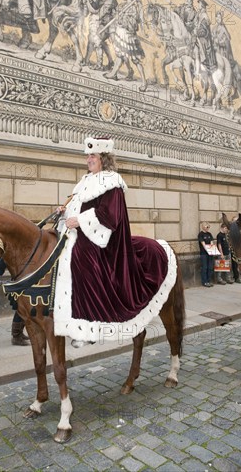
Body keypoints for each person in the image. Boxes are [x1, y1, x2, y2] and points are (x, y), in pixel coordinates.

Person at [53, 136, 176, 346]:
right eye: (87, 156)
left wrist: (79, 220)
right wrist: (64, 212)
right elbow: (78, 207)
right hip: (80, 233)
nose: (88, 159)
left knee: (82, 259)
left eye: (93, 156)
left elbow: (109, 215)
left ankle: (89, 328)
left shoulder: (112, 182)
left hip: (105, 240)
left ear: (104, 158)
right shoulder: (84, 181)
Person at [198, 222, 214, 287]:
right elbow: (203, 244)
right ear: (203, 227)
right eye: (207, 227)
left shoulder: (209, 234)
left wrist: (211, 249)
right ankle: (204, 281)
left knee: (210, 267)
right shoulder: (201, 234)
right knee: (204, 267)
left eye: (208, 227)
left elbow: (212, 242)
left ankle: (209, 280)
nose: (208, 228)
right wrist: (208, 249)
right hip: (203, 253)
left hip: (210, 253)